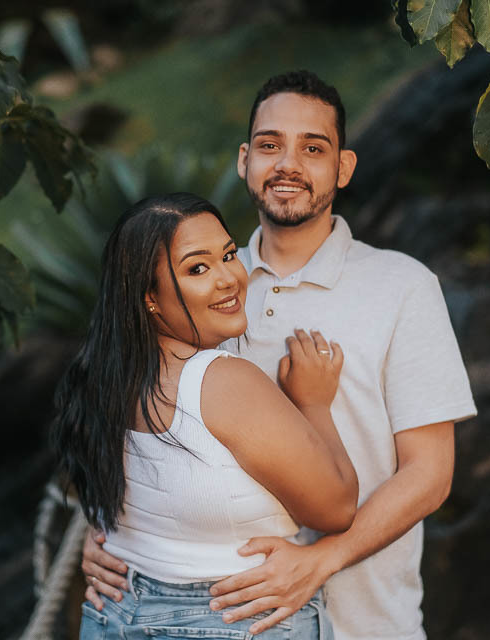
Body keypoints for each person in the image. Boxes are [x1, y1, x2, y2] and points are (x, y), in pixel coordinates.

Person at [81, 71, 477, 639]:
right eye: (270, 145)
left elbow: (430, 475)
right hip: (226, 619)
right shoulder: (205, 287)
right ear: (245, 160)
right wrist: (108, 534)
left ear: (343, 167)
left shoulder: (402, 286)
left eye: (313, 149)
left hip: (368, 621)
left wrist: (321, 561)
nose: (288, 164)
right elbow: (144, 426)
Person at [53, 192, 360, 638]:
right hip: (228, 618)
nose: (228, 279)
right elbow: (337, 508)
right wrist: (313, 403)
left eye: (229, 255)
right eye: (197, 268)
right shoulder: (223, 382)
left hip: (114, 613)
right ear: (150, 298)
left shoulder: (104, 376)